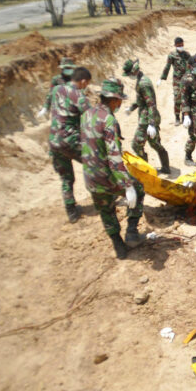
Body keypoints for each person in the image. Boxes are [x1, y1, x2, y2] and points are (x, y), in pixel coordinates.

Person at [81, 78, 145, 260]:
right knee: (138, 189)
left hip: (90, 178)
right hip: (106, 177)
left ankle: (118, 245)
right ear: (115, 100)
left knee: (105, 209)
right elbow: (114, 156)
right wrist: (127, 186)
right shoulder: (109, 120)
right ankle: (132, 233)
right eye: (120, 101)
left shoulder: (86, 114)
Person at [48, 67, 92, 223]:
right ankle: (105, 199)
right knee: (94, 164)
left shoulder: (57, 89)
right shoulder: (79, 96)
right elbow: (91, 118)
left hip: (54, 141)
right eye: (86, 84)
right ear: (83, 81)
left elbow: (49, 104)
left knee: (66, 178)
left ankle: (71, 212)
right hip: (70, 141)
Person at [122, 58, 170, 174]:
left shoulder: (144, 84)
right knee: (155, 143)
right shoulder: (141, 80)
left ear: (133, 71)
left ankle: (145, 170)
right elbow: (142, 100)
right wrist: (131, 108)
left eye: (129, 74)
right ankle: (165, 167)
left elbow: (151, 103)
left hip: (147, 119)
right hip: (147, 117)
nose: (129, 76)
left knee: (136, 144)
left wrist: (152, 124)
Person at [158, 37, 191, 125]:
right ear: (175, 45)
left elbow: (191, 66)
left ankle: (185, 116)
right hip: (177, 80)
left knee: (186, 98)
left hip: (186, 79)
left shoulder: (187, 54)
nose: (181, 46)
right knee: (177, 98)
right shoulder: (172, 55)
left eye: (182, 44)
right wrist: (162, 78)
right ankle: (177, 117)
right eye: (179, 45)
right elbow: (167, 67)